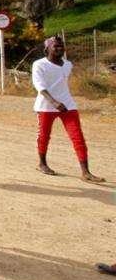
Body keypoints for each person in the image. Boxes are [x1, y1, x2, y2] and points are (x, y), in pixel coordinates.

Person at [32, 36, 105, 182]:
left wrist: (61, 101)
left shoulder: (67, 65)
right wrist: (54, 102)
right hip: (46, 106)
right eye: (56, 46)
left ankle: (85, 172)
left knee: (77, 136)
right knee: (44, 136)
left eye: (61, 46)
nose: (60, 49)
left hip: (68, 105)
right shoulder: (39, 64)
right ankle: (42, 163)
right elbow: (39, 86)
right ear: (47, 48)